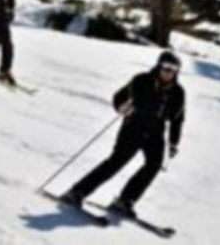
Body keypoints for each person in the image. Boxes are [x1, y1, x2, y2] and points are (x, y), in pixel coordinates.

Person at [61, 51, 186, 218]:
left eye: (173, 68)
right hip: (133, 127)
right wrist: (122, 107)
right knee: (116, 162)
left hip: (156, 133)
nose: (168, 71)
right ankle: (77, 192)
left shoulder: (178, 93)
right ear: (159, 65)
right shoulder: (141, 80)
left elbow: (177, 119)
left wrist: (173, 142)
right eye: (166, 66)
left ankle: (126, 200)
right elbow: (119, 97)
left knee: (154, 165)